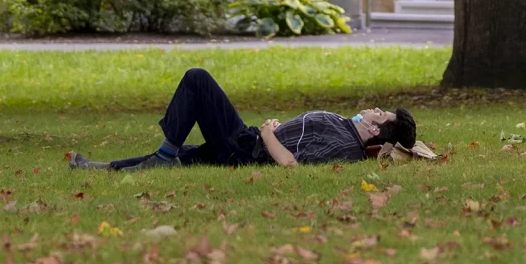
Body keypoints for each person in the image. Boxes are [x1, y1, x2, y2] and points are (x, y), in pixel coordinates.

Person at [69, 66, 417, 171]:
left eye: (379, 112)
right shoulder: (343, 125)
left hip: (246, 151)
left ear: (374, 128)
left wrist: (268, 134)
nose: (373, 108)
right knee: (184, 157)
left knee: (197, 78)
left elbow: (291, 164)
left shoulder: (344, 146)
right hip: (248, 139)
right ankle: (96, 168)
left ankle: (163, 155)